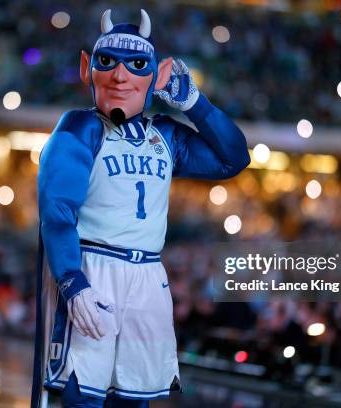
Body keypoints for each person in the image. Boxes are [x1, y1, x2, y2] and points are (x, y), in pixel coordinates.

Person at [31, 9, 250, 408]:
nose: (120, 76)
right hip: (93, 266)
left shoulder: (165, 134)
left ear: (158, 74)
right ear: (87, 68)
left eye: (136, 65)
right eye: (106, 62)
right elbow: (56, 211)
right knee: (80, 392)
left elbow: (233, 159)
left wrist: (195, 103)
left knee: (136, 397)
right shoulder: (79, 128)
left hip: (148, 273)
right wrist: (71, 279)